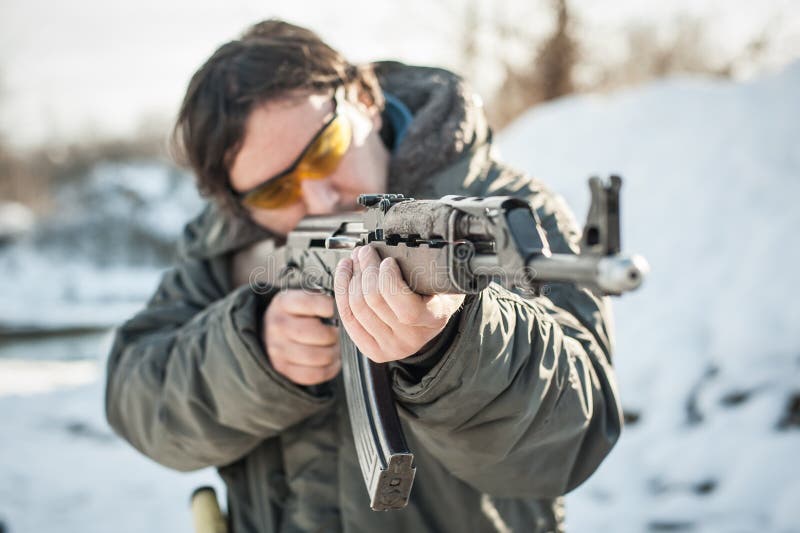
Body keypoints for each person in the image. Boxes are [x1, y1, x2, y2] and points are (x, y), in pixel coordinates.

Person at [105, 19, 622, 533]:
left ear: (364, 100)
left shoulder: (510, 212)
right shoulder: (226, 249)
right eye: (272, 193)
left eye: (325, 151)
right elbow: (137, 402)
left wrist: (454, 346)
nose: (320, 199)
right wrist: (253, 354)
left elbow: (574, 437)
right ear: (237, 205)